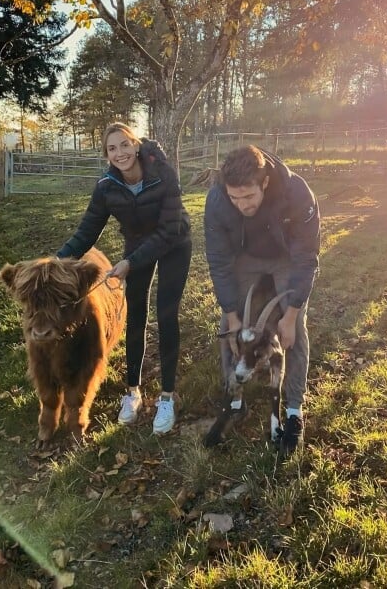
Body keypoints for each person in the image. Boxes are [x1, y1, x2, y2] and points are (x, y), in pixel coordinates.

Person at [57, 123, 192, 435]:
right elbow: (86, 231)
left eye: (124, 145)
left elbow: (170, 228)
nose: (120, 153)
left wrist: (130, 262)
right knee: (136, 316)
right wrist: (56, 260)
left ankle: (167, 397)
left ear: (136, 144)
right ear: (106, 155)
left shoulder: (163, 172)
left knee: (167, 314)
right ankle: (133, 392)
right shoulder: (106, 187)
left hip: (175, 243)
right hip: (136, 245)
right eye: (112, 149)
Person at [204, 145, 320, 455]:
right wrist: (230, 312)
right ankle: (235, 400)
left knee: (292, 331)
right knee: (231, 327)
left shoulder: (296, 193)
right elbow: (217, 259)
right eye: (234, 198)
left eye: (249, 197)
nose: (241, 204)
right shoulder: (217, 199)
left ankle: (294, 409)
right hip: (246, 257)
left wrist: (292, 315)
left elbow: (307, 258)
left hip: (286, 258)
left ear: (264, 182)